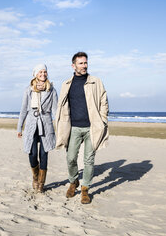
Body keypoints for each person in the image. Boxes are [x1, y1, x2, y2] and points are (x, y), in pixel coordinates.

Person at [55, 52, 109, 204]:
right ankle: (74, 182)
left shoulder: (95, 82)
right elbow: (62, 106)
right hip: (73, 128)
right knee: (70, 158)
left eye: (85, 63)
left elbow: (104, 100)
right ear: (73, 66)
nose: (84, 66)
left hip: (92, 127)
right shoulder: (67, 84)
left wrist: (103, 120)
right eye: (81, 63)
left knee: (89, 160)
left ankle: (85, 189)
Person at [17, 64, 58, 193]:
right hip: (31, 124)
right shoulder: (28, 90)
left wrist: (59, 126)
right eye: (40, 72)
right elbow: (23, 110)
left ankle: (41, 183)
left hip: (46, 124)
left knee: (44, 154)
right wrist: (19, 127)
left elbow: (55, 110)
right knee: (32, 153)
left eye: (45, 72)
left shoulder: (52, 90)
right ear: (35, 74)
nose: (43, 74)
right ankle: (35, 176)